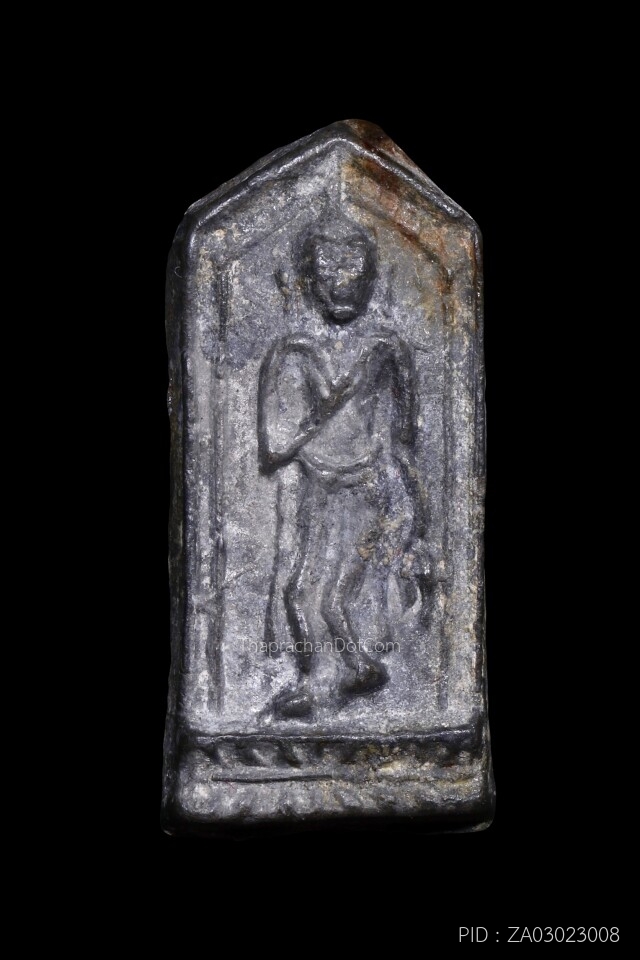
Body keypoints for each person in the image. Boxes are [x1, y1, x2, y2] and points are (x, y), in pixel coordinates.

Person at [258, 216, 427, 719]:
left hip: (370, 486)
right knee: (300, 594)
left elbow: (406, 430)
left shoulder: (385, 347)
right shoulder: (293, 350)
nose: (341, 285)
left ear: (370, 278)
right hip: (322, 486)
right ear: (309, 280)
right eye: (328, 272)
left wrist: (400, 493)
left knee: (328, 597)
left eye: (353, 271)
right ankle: (343, 672)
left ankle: (339, 676)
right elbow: (273, 447)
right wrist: (328, 404)